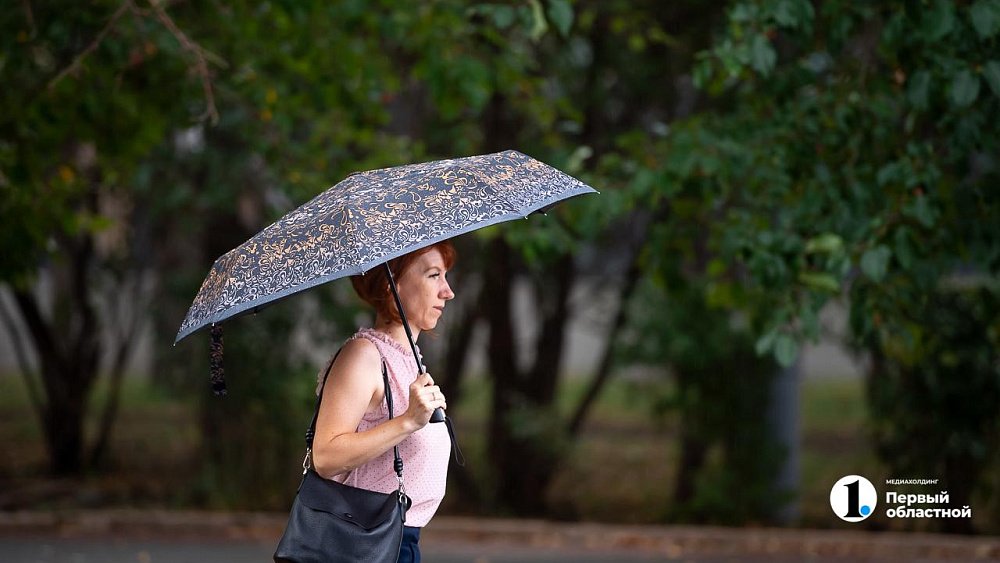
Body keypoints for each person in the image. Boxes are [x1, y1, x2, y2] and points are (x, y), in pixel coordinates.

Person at [311, 240, 456, 563]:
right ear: (393, 284)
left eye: (445, 276)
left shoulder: (407, 359)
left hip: (398, 540)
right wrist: (407, 422)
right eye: (434, 275)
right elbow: (325, 455)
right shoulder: (363, 356)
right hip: (363, 542)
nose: (447, 291)